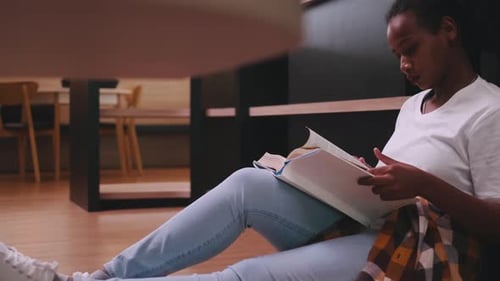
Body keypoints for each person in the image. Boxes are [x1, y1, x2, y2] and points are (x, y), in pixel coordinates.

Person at [2, 0, 500, 280]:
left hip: (431, 255)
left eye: (409, 50)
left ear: (449, 31)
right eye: (397, 55)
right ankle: (94, 280)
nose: (404, 66)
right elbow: (402, 176)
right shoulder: (414, 105)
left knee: (246, 274)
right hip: (379, 224)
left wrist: (423, 184)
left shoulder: (489, 109)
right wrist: (354, 173)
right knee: (247, 183)